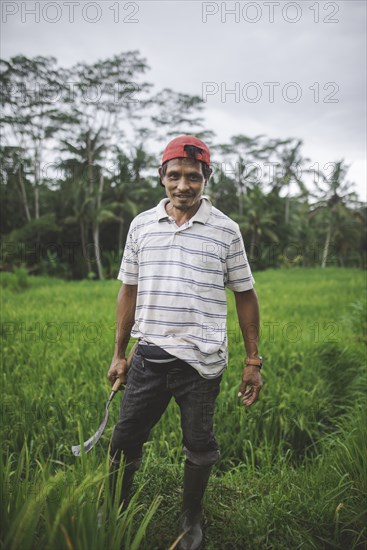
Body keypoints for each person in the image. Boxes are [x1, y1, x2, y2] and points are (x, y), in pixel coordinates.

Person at [107, 135, 262, 550]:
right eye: (174, 176)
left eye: (193, 177)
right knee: (125, 438)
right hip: (150, 356)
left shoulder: (225, 231)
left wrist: (253, 361)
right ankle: (115, 507)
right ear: (161, 176)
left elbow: (245, 294)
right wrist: (120, 354)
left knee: (199, 444)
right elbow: (129, 291)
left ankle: (191, 519)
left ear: (206, 177)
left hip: (202, 362)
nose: (183, 186)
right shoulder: (142, 225)